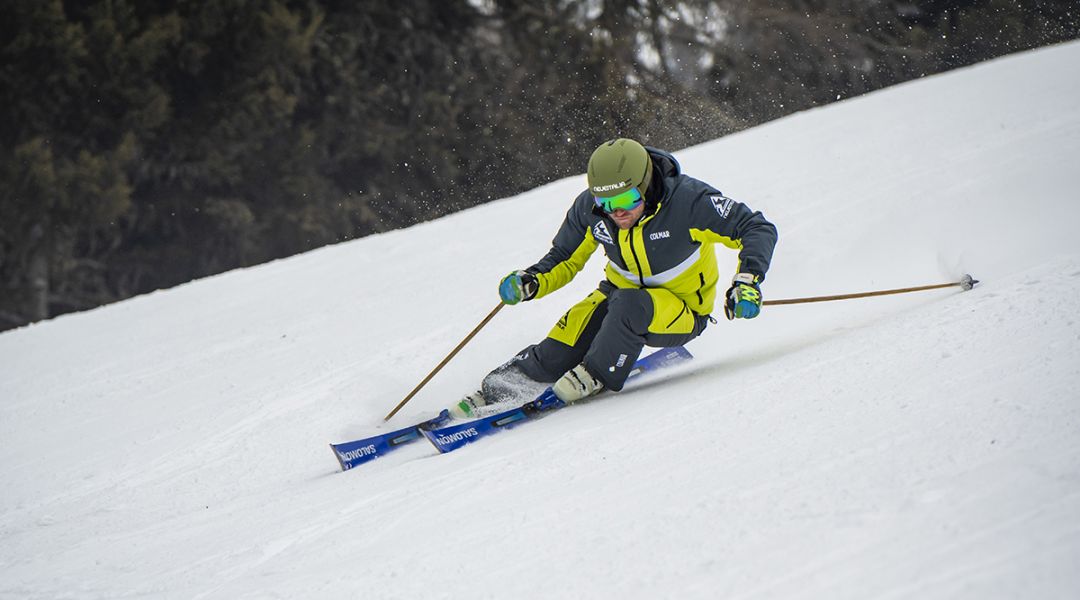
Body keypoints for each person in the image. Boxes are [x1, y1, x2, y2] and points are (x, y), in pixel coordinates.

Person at [451, 138, 777, 417]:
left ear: (646, 185)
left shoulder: (689, 203)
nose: (616, 212)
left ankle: (595, 374)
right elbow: (564, 258)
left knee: (631, 304)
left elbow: (755, 227)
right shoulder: (592, 212)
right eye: (605, 202)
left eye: (625, 200)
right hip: (616, 296)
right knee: (558, 349)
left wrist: (747, 281)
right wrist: (531, 281)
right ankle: (499, 388)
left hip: (681, 310)